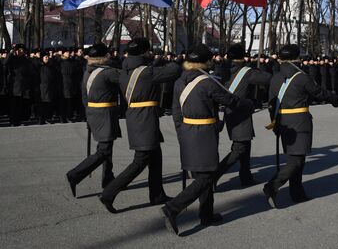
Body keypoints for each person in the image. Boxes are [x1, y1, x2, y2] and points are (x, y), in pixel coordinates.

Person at [161, 44, 254, 234]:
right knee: (207, 176)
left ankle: (207, 214)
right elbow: (231, 101)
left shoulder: (180, 81)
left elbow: (176, 113)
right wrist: (249, 104)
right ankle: (172, 208)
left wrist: (181, 134)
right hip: (204, 133)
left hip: (186, 130)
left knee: (202, 174)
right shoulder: (207, 82)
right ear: (205, 61)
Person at [99, 38, 181, 213]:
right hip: (145, 118)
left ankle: (157, 194)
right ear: (145, 52)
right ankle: (109, 193)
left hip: (137, 116)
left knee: (155, 157)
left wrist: (155, 62)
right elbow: (173, 71)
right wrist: (177, 60)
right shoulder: (146, 72)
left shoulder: (125, 70)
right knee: (140, 160)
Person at [262, 44, 338, 208]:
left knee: (296, 157)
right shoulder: (302, 76)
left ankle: (297, 193)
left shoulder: (275, 77)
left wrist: (275, 123)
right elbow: (318, 92)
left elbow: (271, 103)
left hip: (282, 121)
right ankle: (273, 186)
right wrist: (334, 98)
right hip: (299, 121)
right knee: (297, 159)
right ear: (297, 57)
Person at [66, 43, 121, 196]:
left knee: (105, 147)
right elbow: (125, 79)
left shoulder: (88, 71)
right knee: (104, 150)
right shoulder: (108, 72)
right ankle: (75, 174)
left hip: (94, 113)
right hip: (105, 113)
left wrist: (88, 116)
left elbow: (84, 97)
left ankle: (108, 178)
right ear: (105, 56)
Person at [215, 43, 272, 188]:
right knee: (240, 148)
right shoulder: (246, 72)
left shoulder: (223, 69)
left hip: (230, 111)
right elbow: (267, 78)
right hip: (240, 113)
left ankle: (246, 176)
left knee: (245, 144)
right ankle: (213, 176)